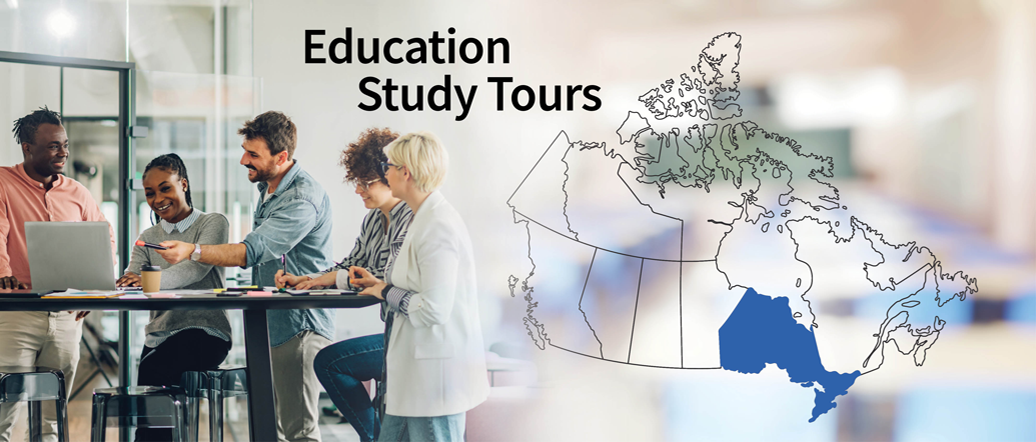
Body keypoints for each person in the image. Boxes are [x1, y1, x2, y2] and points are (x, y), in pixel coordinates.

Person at [155, 111, 334, 442]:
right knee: (273, 429)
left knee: (300, 432)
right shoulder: (270, 187)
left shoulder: (301, 198)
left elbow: (251, 251)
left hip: (300, 328)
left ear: (282, 157)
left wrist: (192, 250)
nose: (243, 160)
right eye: (244, 150)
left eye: (253, 154)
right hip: (273, 326)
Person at [276, 127, 412, 442]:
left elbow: (378, 276)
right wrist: (308, 281)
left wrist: (341, 279)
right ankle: (377, 437)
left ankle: (375, 438)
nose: (358, 190)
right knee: (330, 362)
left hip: (411, 336)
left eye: (366, 183)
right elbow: (353, 267)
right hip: (393, 331)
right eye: (356, 182)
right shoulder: (375, 219)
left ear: (391, 176)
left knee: (331, 362)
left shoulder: (411, 217)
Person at [351, 132, 489, 441]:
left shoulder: (438, 225)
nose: (384, 172)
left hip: (433, 380)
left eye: (388, 165)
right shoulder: (421, 218)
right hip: (414, 377)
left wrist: (385, 291)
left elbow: (433, 310)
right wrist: (380, 285)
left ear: (405, 172)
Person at [0, 106, 114, 442]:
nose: (63, 152)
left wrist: (93, 289)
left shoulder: (78, 193)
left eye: (64, 144)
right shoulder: (4, 182)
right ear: (27, 148)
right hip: (17, 315)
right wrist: (2, 273)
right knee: (4, 414)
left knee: (51, 420)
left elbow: (103, 238)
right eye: (53, 146)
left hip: (67, 318)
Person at [116, 153, 231, 441]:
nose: (158, 199)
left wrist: (146, 281)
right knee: (151, 377)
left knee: (156, 368)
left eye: (165, 188)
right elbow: (132, 280)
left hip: (206, 331)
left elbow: (195, 268)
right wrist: (129, 283)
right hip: (159, 335)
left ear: (183, 184)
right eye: (150, 193)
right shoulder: (147, 236)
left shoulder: (212, 223)